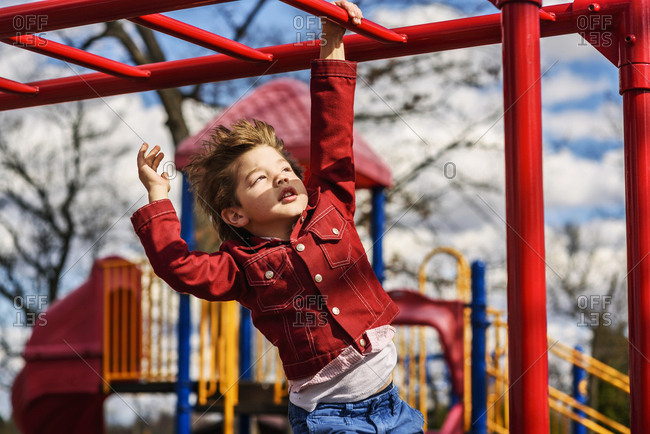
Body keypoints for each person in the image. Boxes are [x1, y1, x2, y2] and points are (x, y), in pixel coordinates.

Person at [132, 1, 424, 432]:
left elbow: (333, 136)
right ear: (236, 213)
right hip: (328, 418)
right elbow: (180, 268)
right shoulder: (242, 269)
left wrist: (332, 43)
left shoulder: (332, 207)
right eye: (260, 180)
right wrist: (159, 197)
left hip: (391, 404)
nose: (281, 179)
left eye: (285, 170)